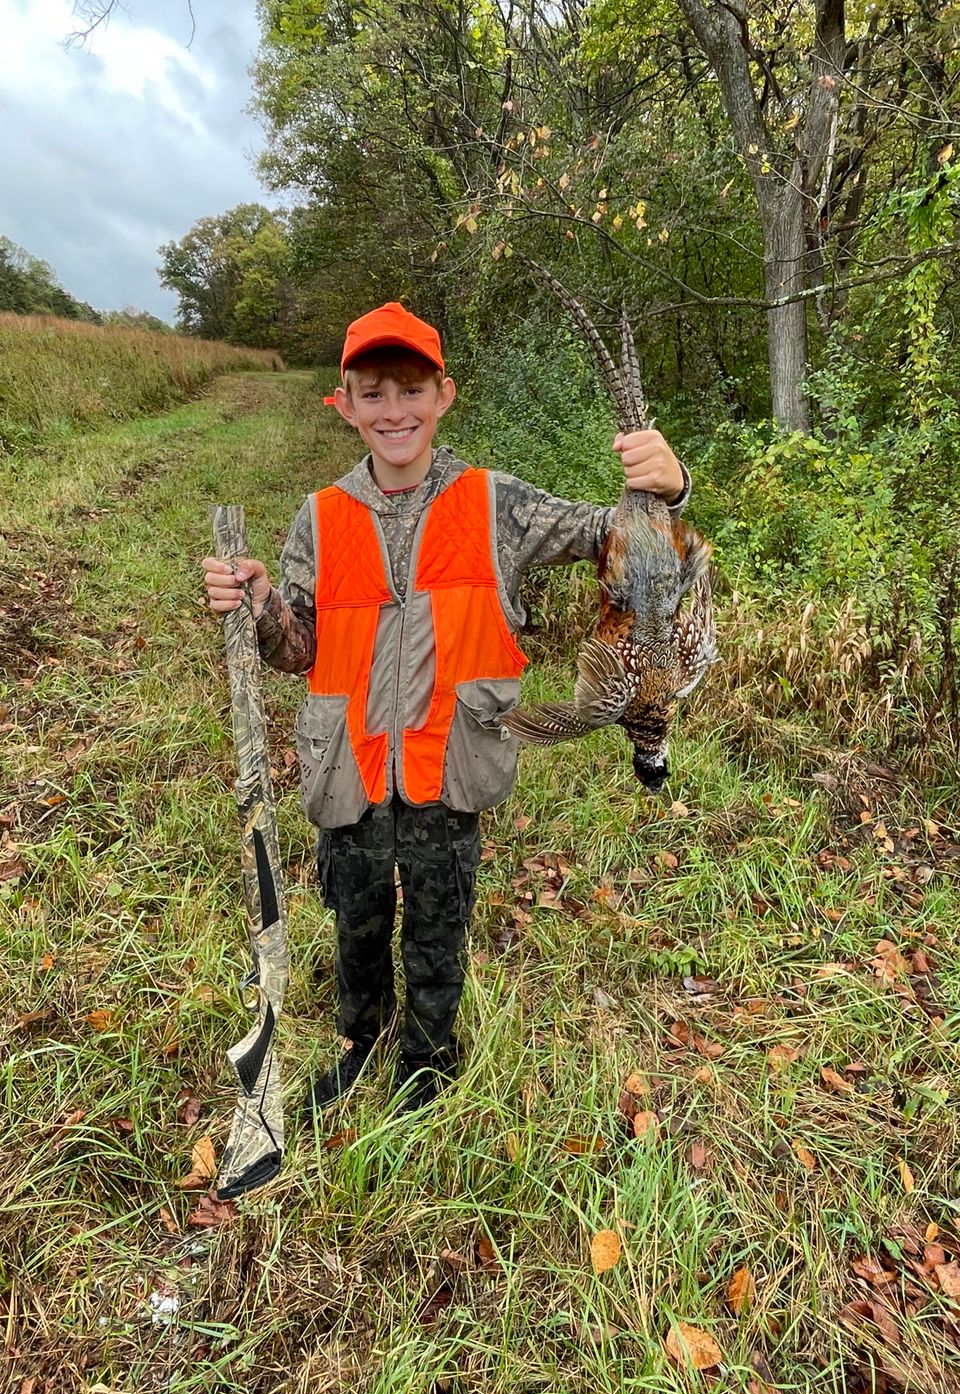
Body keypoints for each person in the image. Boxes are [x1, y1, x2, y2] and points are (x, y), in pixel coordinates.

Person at [202, 301, 690, 1116]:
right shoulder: (319, 518)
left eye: (412, 390)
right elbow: (299, 647)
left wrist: (668, 490)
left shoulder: (494, 503)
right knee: (356, 925)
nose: (394, 410)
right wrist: (255, 603)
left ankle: (427, 1065)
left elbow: (618, 536)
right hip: (349, 769)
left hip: (449, 766)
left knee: (437, 927)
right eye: (374, 393)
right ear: (345, 404)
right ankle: (362, 1045)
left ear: (444, 396)